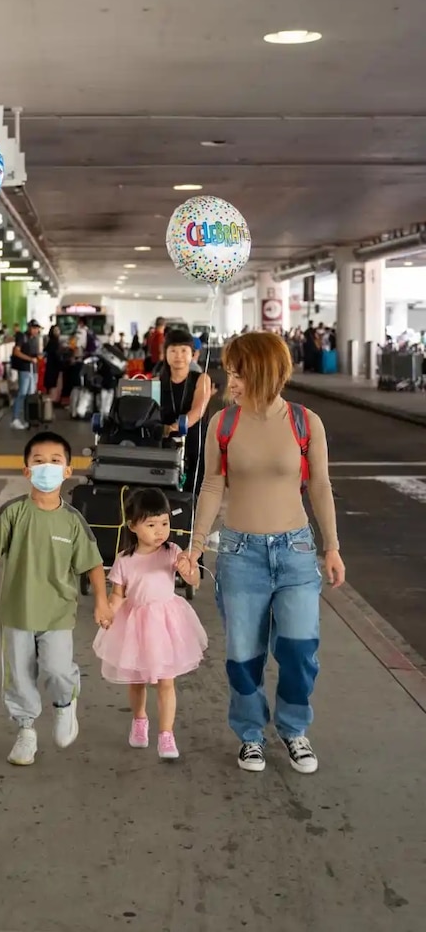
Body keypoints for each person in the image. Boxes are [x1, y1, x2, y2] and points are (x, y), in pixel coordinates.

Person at [185, 332, 346, 775]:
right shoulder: (224, 423)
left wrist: (331, 547)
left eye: (236, 372)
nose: (229, 381)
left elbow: (319, 486)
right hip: (240, 554)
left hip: (295, 553)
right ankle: (251, 734)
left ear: (260, 372)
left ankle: (294, 729)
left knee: (298, 651)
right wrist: (195, 547)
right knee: (243, 656)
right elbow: (213, 485)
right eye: (229, 372)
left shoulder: (304, 421)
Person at [0, 431, 112, 766]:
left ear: (68, 471)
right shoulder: (13, 513)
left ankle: (66, 704)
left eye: (55, 462)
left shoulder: (72, 521)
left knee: (56, 669)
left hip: (57, 613)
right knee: (19, 676)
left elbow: (93, 564)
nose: (46, 468)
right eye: (38, 462)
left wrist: (101, 600)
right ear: (26, 471)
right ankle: (26, 731)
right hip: (17, 611)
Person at [92, 489, 206, 760]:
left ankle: (166, 734)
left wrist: (188, 570)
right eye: (151, 524)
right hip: (136, 624)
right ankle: (139, 720)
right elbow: (118, 594)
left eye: (164, 523)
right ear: (132, 525)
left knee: (167, 681)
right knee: (137, 680)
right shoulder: (124, 560)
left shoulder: (172, 552)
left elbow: (195, 581)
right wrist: (108, 613)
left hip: (166, 623)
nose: (160, 531)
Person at [159, 329, 213, 503]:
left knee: (193, 486)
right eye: (173, 350)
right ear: (165, 353)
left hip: (193, 439)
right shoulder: (157, 380)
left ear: (192, 354)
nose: (178, 356)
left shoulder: (201, 379)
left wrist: (175, 427)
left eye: (184, 350)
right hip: (165, 440)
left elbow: (198, 409)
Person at [10, 319, 41, 430]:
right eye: (34, 328)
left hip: (33, 369)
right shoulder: (22, 337)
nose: (35, 330)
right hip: (24, 369)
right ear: (29, 328)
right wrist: (30, 359)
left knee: (30, 395)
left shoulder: (34, 339)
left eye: (37, 328)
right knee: (22, 393)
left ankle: (29, 418)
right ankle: (15, 418)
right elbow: (16, 352)